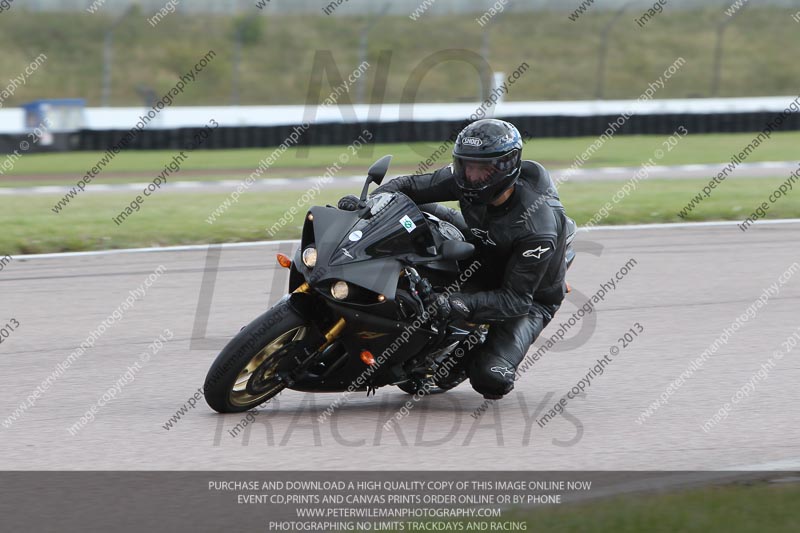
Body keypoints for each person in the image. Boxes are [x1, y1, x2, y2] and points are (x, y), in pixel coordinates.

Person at [338, 119, 573, 400]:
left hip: (528, 298)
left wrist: (451, 304)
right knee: (404, 207)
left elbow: (516, 299)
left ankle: (467, 347)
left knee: (491, 380)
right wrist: (370, 208)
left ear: (505, 167)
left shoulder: (538, 225)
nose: (471, 177)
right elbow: (407, 186)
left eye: (482, 170)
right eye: (466, 166)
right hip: (480, 243)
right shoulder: (465, 178)